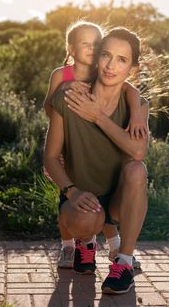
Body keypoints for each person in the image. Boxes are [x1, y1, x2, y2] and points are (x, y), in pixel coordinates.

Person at [44, 27, 149, 294]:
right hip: (83, 199)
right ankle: (85, 244)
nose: (111, 65)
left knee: (137, 170)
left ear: (132, 70)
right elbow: (51, 157)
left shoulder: (136, 106)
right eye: (106, 55)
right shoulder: (69, 94)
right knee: (84, 219)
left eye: (122, 60)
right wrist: (71, 190)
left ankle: (123, 263)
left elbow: (137, 153)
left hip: (115, 201)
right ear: (98, 57)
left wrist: (98, 116)